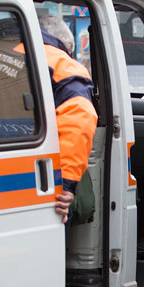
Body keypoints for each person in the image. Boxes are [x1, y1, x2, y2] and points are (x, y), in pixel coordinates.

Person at [38, 13, 97, 224]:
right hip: (40, 181)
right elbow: (80, 119)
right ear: (65, 45)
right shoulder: (60, 64)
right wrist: (65, 186)